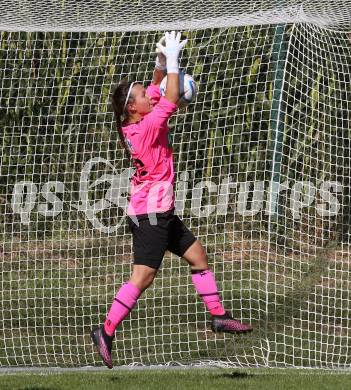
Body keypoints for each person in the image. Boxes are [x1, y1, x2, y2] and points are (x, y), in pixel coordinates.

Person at [91, 31, 253, 369]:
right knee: (143, 277)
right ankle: (105, 331)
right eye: (142, 95)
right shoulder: (147, 126)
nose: (151, 95)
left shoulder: (136, 119)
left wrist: (161, 63)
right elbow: (173, 94)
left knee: (197, 255)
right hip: (150, 214)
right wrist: (176, 63)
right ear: (132, 108)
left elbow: (158, 86)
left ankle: (219, 317)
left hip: (160, 209)